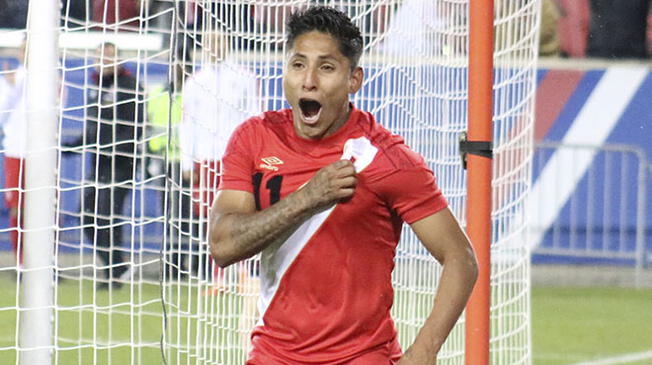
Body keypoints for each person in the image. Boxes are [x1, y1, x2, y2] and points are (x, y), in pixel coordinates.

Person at [209, 6, 478, 365]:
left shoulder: (386, 158)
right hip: (273, 356)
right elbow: (223, 247)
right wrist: (308, 198)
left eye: (326, 67)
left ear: (354, 80)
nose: (308, 81)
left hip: (361, 357)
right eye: (298, 64)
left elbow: (461, 257)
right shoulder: (254, 139)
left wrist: (424, 351)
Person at [179, 31, 261, 278]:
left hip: (235, 159)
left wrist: (254, 156)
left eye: (219, 40)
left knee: (241, 213)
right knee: (209, 216)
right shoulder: (194, 81)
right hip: (205, 157)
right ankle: (219, 275)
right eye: (210, 41)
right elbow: (187, 123)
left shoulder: (245, 77)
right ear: (203, 46)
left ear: (228, 42)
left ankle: (244, 272)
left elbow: (254, 116)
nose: (215, 45)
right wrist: (186, 160)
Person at [67, 42, 144, 290]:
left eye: (108, 57)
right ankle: (116, 266)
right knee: (86, 215)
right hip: (99, 163)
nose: (103, 61)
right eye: (99, 57)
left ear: (118, 60)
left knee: (109, 213)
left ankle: (115, 274)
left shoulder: (131, 86)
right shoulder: (96, 87)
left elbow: (136, 127)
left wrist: (111, 145)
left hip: (122, 162)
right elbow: (93, 129)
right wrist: (73, 146)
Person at [145, 63, 193, 280]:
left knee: (188, 215)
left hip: (189, 162)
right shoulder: (156, 94)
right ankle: (171, 264)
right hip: (164, 160)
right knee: (169, 215)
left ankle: (192, 263)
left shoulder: (194, 92)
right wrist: (148, 160)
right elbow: (148, 127)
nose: (177, 68)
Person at [0, 41, 28, 266]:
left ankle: (49, 262)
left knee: (47, 207)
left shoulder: (54, 78)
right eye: (24, 48)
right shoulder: (9, 78)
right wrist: (11, 89)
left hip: (44, 154)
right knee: (18, 208)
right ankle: (20, 261)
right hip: (16, 151)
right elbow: (2, 116)